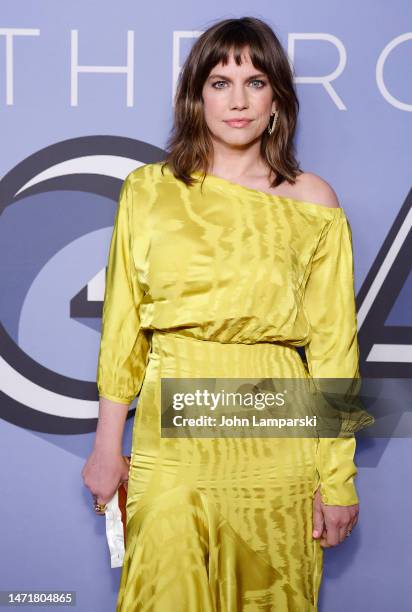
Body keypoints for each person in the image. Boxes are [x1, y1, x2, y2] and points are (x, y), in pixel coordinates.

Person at [82, 16, 371, 611]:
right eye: (220, 82)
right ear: (196, 95)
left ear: (277, 99)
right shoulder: (148, 190)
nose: (237, 100)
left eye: (255, 82)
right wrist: (106, 446)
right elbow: (123, 330)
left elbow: (335, 350)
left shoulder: (314, 200)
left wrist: (337, 479)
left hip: (278, 442)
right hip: (172, 440)